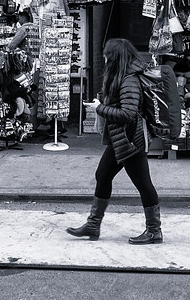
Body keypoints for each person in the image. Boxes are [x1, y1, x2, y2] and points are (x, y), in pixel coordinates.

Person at [69, 38, 162, 245]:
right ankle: (93, 225)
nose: (103, 57)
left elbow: (128, 113)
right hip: (121, 139)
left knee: (143, 184)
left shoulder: (129, 79)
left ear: (114, 57)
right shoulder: (123, 76)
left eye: (106, 54)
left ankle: (154, 231)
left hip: (131, 140)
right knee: (102, 175)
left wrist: (99, 108)